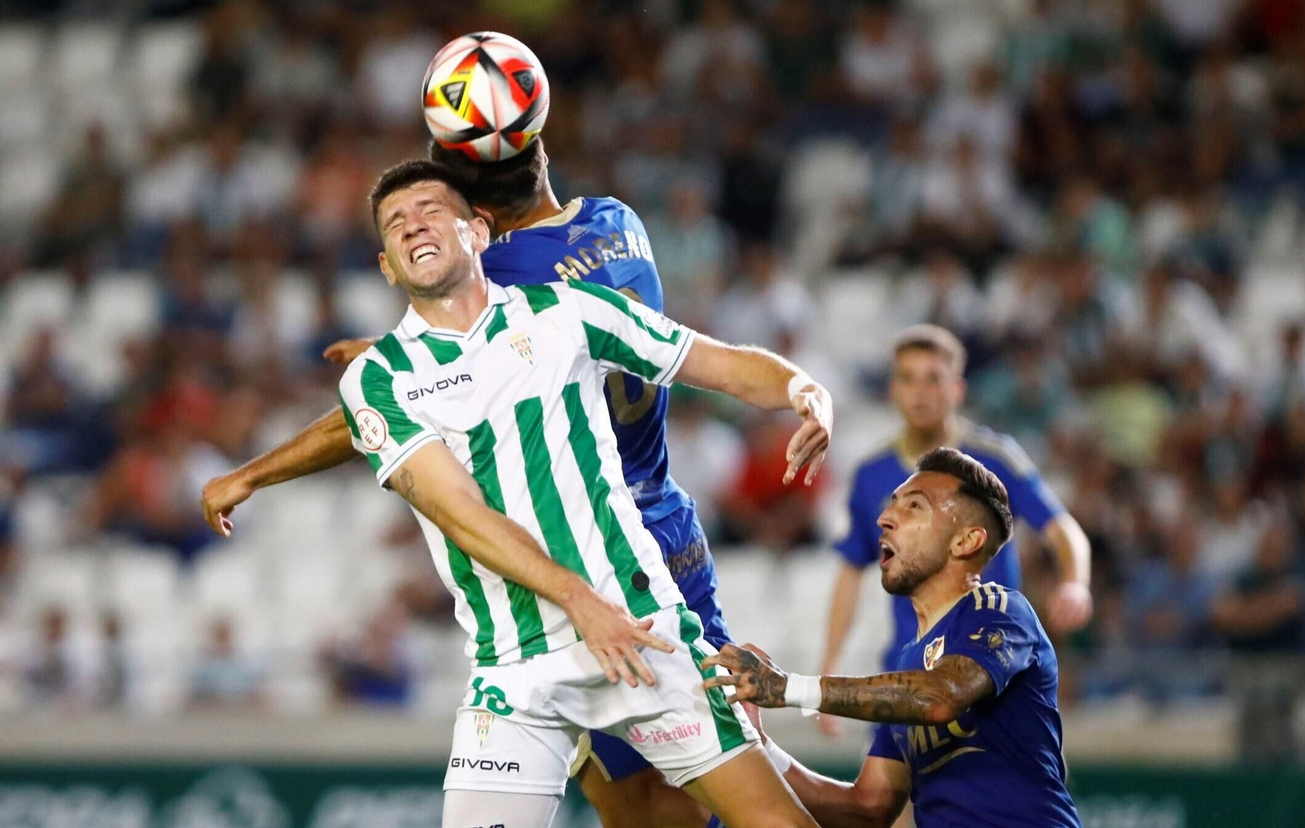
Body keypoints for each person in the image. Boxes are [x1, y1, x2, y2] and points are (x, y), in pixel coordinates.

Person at [202, 136, 815, 828]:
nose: (414, 225)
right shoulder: (377, 380)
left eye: (432, 210)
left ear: (479, 230)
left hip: (643, 628)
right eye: (397, 223)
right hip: (518, 667)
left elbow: (721, 363)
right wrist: (577, 602)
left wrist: (802, 388)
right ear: (384, 265)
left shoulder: (567, 314)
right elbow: (458, 512)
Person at [705, 448, 1079, 828]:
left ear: (965, 541)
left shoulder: (1001, 611)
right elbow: (868, 806)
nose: (885, 518)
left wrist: (789, 688)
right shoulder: (906, 667)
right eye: (891, 505)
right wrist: (759, 748)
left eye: (914, 507)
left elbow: (939, 697)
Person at [819, 324, 1091, 733]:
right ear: (893, 389)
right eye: (908, 378)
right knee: (884, 796)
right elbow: (849, 570)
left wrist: (1074, 582)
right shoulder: (871, 475)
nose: (920, 392)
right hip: (910, 670)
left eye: (934, 378)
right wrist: (829, 665)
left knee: (1019, 790)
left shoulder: (993, 459)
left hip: (991, 670)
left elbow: (1060, 527)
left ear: (957, 389)